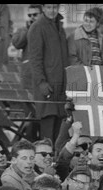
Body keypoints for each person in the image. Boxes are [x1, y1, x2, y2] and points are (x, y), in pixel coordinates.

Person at [27, 3, 68, 145]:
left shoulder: (59, 27)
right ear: (43, 8)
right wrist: (41, 82)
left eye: (55, 7)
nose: (52, 11)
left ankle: (58, 162)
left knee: (60, 130)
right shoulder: (37, 27)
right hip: (47, 87)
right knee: (47, 132)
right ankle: (45, 160)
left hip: (61, 86)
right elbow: (35, 59)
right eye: (49, 7)